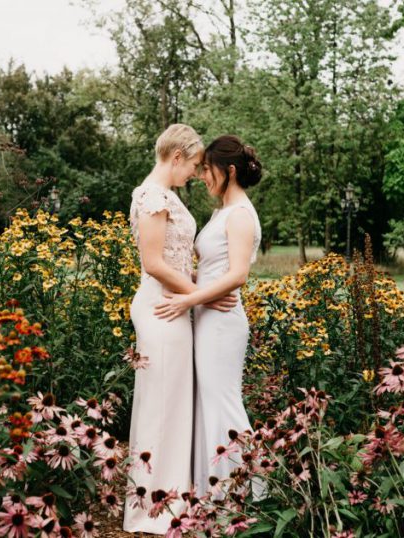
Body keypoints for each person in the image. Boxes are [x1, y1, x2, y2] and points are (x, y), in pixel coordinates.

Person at [123, 124, 236, 533]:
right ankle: (152, 508)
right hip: (160, 309)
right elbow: (153, 263)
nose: (194, 173)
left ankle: (172, 497)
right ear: (175, 158)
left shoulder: (165, 195)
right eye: (191, 165)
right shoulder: (152, 196)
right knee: (161, 402)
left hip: (175, 305)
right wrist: (201, 294)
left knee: (173, 401)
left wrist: (196, 294)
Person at [154, 135, 263, 498]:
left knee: (222, 401)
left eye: (208, 169)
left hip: (223, 321)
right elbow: (214, 271)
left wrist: (189, 300)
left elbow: (237, 276)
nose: (202, 176)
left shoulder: (242, 215)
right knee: (208, 401)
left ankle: (253, 489)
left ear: (229, 171)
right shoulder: (222, 213)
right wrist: (194, 286)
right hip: (207, 314)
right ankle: (212, 491)